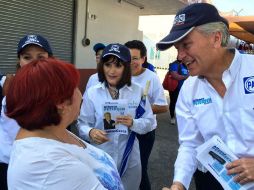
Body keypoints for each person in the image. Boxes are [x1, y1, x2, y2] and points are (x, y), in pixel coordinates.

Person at [157, 3, 254, 190]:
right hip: (212, 180)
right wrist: (179, 184)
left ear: (216, 39)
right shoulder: (189, 89)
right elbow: (190, 144)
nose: (180, 56)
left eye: (186, 45)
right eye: (177, 48)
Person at [6, 58, 123, 190]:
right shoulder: (48, 164)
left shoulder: (51, 128)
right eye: (76, 88)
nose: (81, 95)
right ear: (61, 103)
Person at [78, 43, 154, 190]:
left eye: (118, 65)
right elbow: (82, 124)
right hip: (100, 158)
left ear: (126, 67)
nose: (112, 71)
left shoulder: (137, 91)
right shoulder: (93, 93)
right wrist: (91, 132)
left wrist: (133, 123)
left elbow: (149, 122)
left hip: (129, 158)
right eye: (107, 65)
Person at [0, 34, 53, 190]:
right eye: (27, 57)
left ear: (49, 58)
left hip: (42, 165)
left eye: (40, 56)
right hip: (7, 163)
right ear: (19, 60)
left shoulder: (57, 89)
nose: (34, 62)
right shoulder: (6, 85)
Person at [125, 40, 168, 190]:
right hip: (122, 129)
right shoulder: (119, 74)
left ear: (143, 59)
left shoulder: (151, 77)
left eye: (135, 58)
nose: (131, 62)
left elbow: (163, 107)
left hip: (144, 132)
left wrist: (141, 109)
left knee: (140, 170)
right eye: (128, 58)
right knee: (122, 168)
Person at [167, 59, 188, 125]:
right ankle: (172, 117)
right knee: (173, 102)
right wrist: (186, 76)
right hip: (175, 88)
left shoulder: (187, 66)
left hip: (185, 89)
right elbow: (175, 76)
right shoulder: (175, 64)